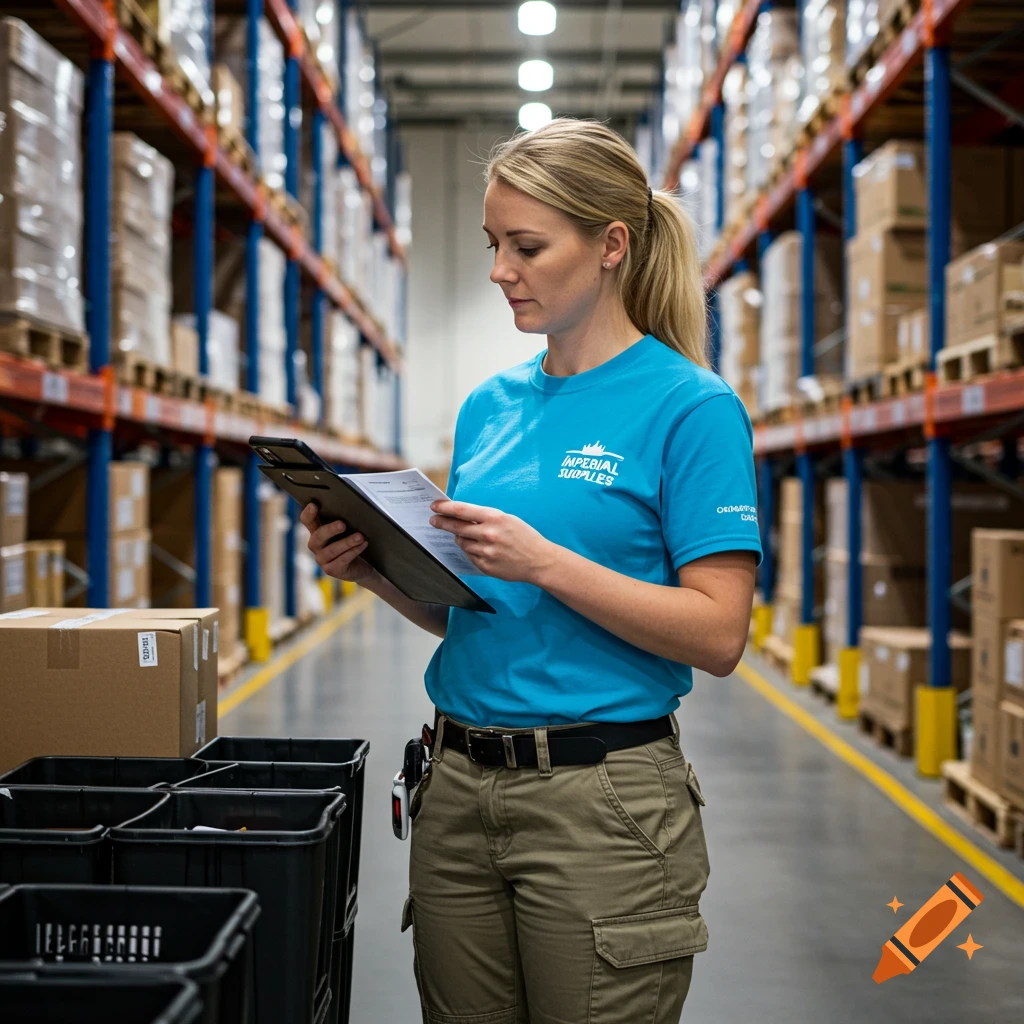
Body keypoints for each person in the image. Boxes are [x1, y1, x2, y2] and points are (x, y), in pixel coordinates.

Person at [301, 118, 761, 1024]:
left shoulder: (691, 409)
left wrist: (548, 562)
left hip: (603, 804)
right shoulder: (490, 408)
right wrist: (377, 574)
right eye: (492, 245)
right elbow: (482, 614)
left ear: (610, 247)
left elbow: (719, 634)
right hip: (459, 785)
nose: (499, 269)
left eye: (526, 246)